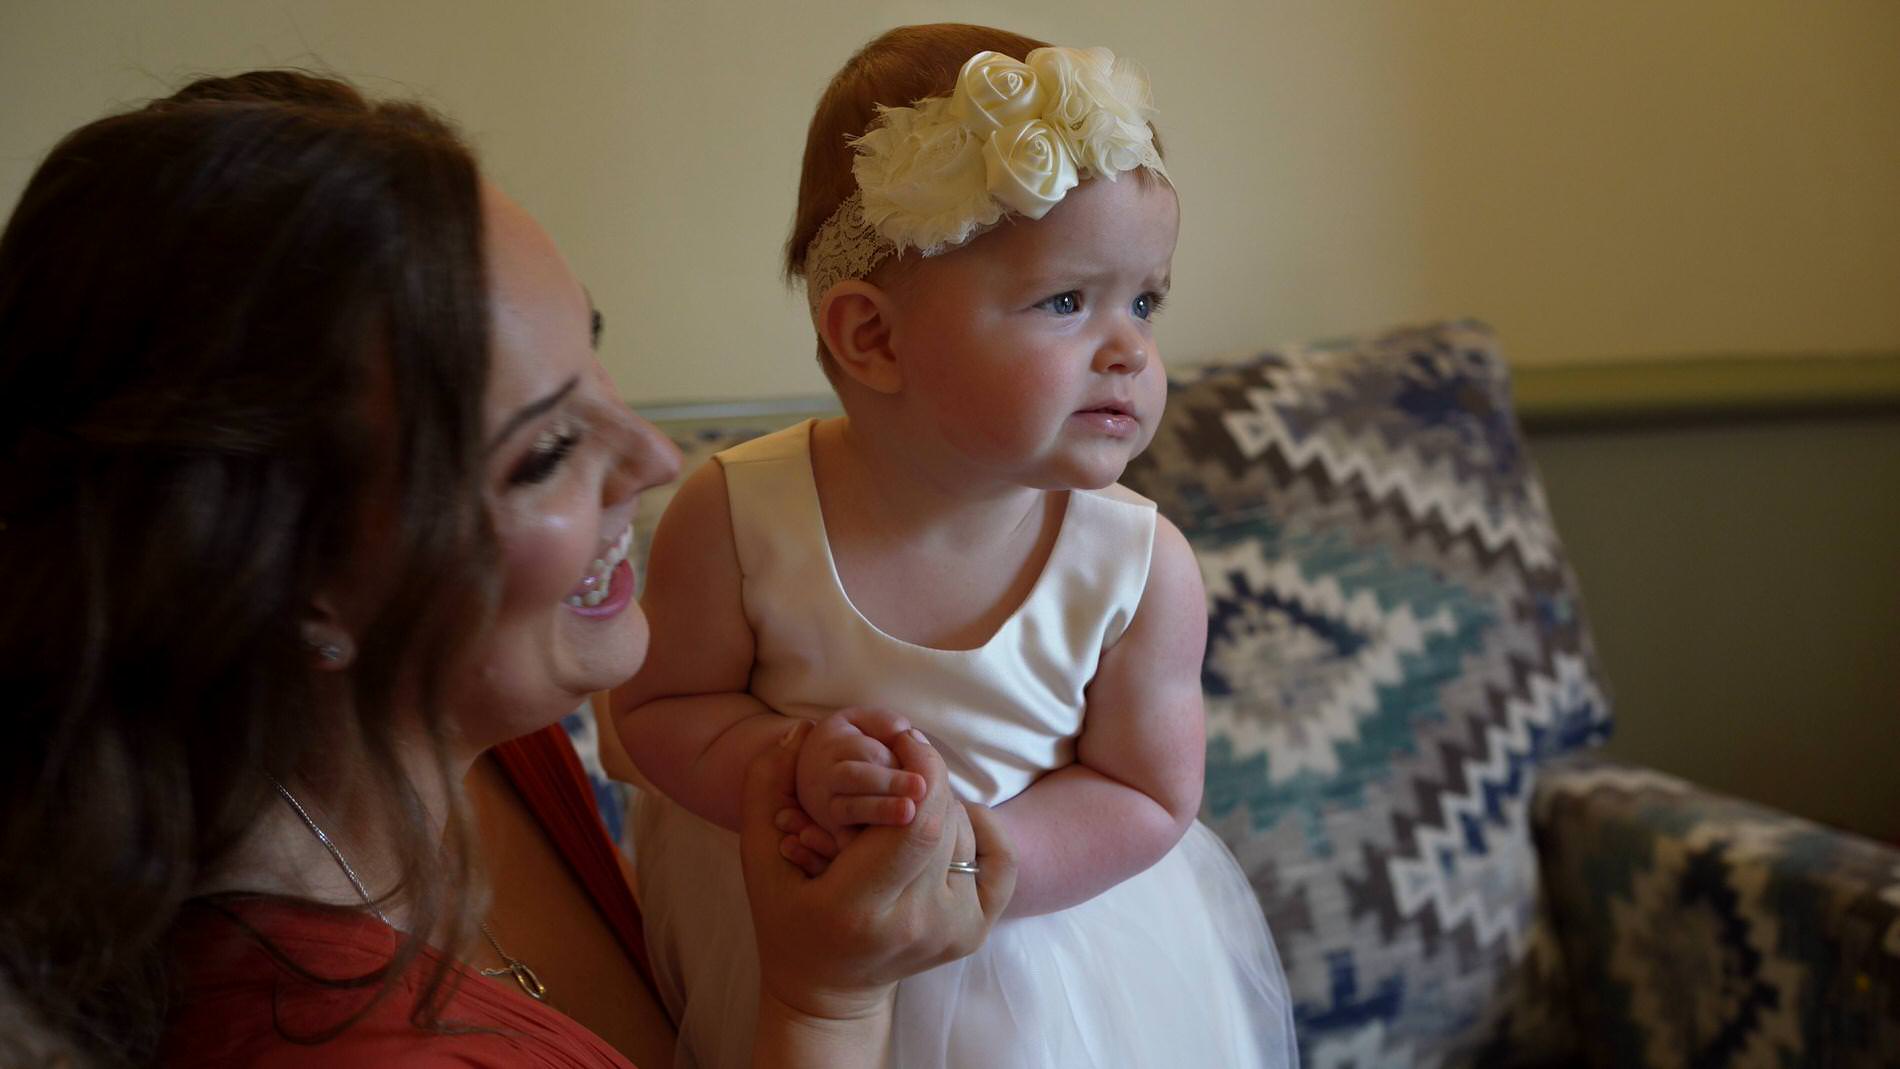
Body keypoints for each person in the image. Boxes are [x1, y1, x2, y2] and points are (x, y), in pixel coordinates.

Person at [0, 70, 1012, 1069]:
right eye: (543, 450)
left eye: (592, 354)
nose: (656, 461)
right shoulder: (307, 1034)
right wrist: (828, 1003)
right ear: (287, 575)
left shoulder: (476, 728)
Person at [617, 23, 1299, 1069]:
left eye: (1146, 301)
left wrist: (983, 856)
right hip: (782, 944)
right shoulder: (736, 513)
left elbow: (1148, 794)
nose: (1129, 349)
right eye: (1067, 301)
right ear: (873, 337)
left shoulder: (1137, 563)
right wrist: (787, 765)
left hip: (1047, 963)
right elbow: (659, 713)